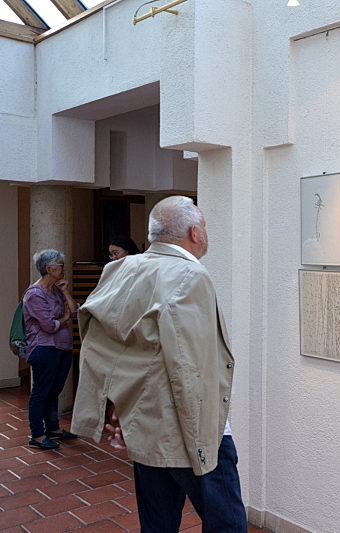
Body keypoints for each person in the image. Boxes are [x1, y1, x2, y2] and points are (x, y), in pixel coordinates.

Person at [72, 196, 247, 533]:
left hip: (142, 424)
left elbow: (101, 343)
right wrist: (203, 441)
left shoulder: (119, 268)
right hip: (192, 429)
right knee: (227, 524)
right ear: (195, 232)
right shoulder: (190, 275)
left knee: (157, 525)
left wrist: (115, 406)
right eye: (204, 226)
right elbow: (190, 366)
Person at [23, 249, 79, 450]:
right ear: (49, 269)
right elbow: (49, 326)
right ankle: (37, 435)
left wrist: (65, 292)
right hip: (44, 348)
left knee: (54, 391)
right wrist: (63, 318)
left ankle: (53, 429)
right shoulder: (34, 294)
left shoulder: (56, 289)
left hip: (62, 347)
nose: (64, 269)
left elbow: (74, 312)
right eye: (61, 266)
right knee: (41, 391)